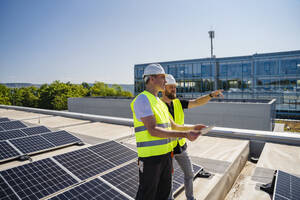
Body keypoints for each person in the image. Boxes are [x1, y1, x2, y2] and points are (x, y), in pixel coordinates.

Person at [131, 64, 207, 200]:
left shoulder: (159, 103)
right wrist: (185, 135)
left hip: (166, 156)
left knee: (164, 194)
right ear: (152, 79)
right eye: (162, 78)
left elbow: (174, 126)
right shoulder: (142, 99)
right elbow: (153, 130)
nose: (166, 81)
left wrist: (193, 128)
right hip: (150, 159)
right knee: (147, 194)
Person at [161, 74, 224, 200]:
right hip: (167, 149)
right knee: (168, 179)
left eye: (175, 87)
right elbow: (174, 127)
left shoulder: (178, 102)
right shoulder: (159, 106)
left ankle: (190, 198)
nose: (174, 89)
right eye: (170, 87)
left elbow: (196, 102)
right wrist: (193, 128)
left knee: (189, 173)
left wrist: (210, 95)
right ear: (163, 88)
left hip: (181, 147)